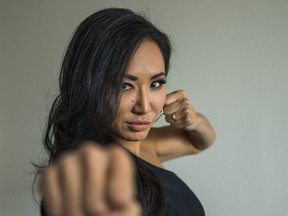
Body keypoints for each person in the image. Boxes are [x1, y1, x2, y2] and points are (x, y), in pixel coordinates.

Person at [38, 8, 216, 216]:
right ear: (88, 87)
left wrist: (193, 121)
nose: (144, 107)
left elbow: (199, 142)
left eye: (156, 83)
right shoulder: (89, 179)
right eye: (125, 85)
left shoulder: (143, 144)